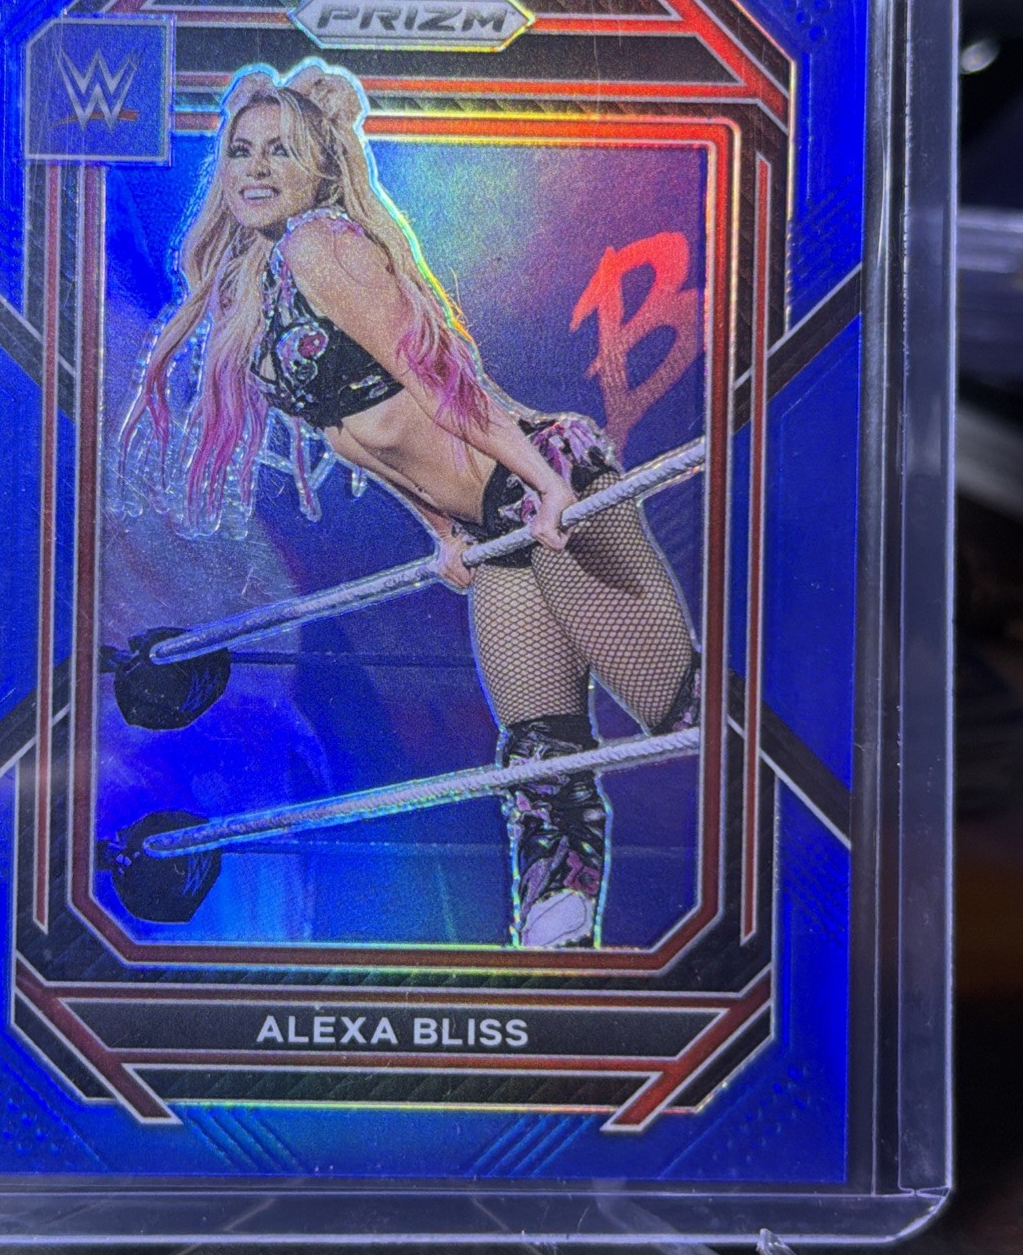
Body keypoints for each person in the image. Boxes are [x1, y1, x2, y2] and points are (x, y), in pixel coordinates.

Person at [120, 61, 697, 949]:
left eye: (281, 150)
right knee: (539, 752)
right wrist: (439, 530)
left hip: (539, 477)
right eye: (241, 150)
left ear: (319, 167)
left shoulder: (320, 244)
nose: (256, 167)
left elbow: (439, 379)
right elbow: (359, 435)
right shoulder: (257, 297)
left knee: (678, 713)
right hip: (490, 519)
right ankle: (557, 943)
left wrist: (546, 488)